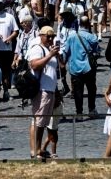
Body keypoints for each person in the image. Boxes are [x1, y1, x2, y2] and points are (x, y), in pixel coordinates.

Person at [28, 26, 61, 159]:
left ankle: (38, 149)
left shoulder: (49, 49)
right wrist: (50, 56)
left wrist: (56, 55)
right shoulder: (37, 48)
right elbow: (34, 65)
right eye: (48, 36)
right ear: (41, 36)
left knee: (43, 123)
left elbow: (57, 69)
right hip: (41, 90)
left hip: (50, 90)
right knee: (38, 122)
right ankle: (36, 151)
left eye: (52, 36)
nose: (50, 39)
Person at [61, 15, 100, 116]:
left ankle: (79, 113)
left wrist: (63, 63)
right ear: (88, 24)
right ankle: (91, 109)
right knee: (91, 89)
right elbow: (97, 51)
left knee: (78, 91)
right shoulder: (92, 37)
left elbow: (65, 52)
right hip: (88, 68)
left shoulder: (71, 36)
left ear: (79, 24)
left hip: (75, 68)